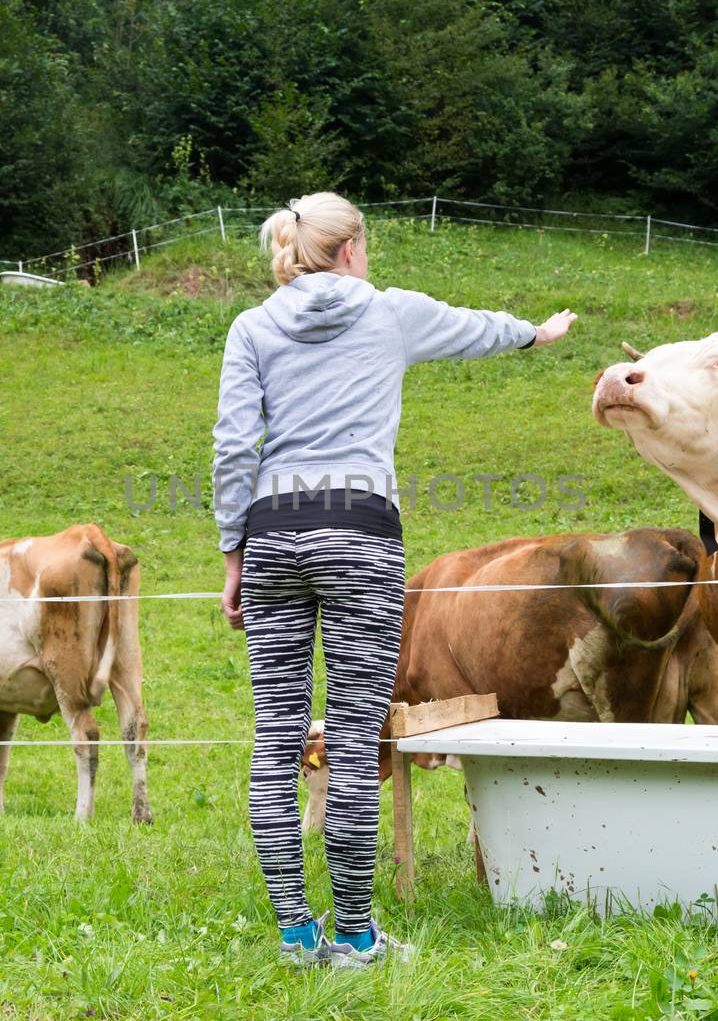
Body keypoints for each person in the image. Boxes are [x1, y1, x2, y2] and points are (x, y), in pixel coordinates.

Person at [211, 191, 576, 968]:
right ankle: (354, 934)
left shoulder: (250, 327)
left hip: (272, 531)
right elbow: (474, 328)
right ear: (351, 250)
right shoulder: (389, 312)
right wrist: (536, 334)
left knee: (275, 739)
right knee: (351, 736)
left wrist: (234, 556)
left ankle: (293, 934)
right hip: (361, 531)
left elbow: (235, 448)